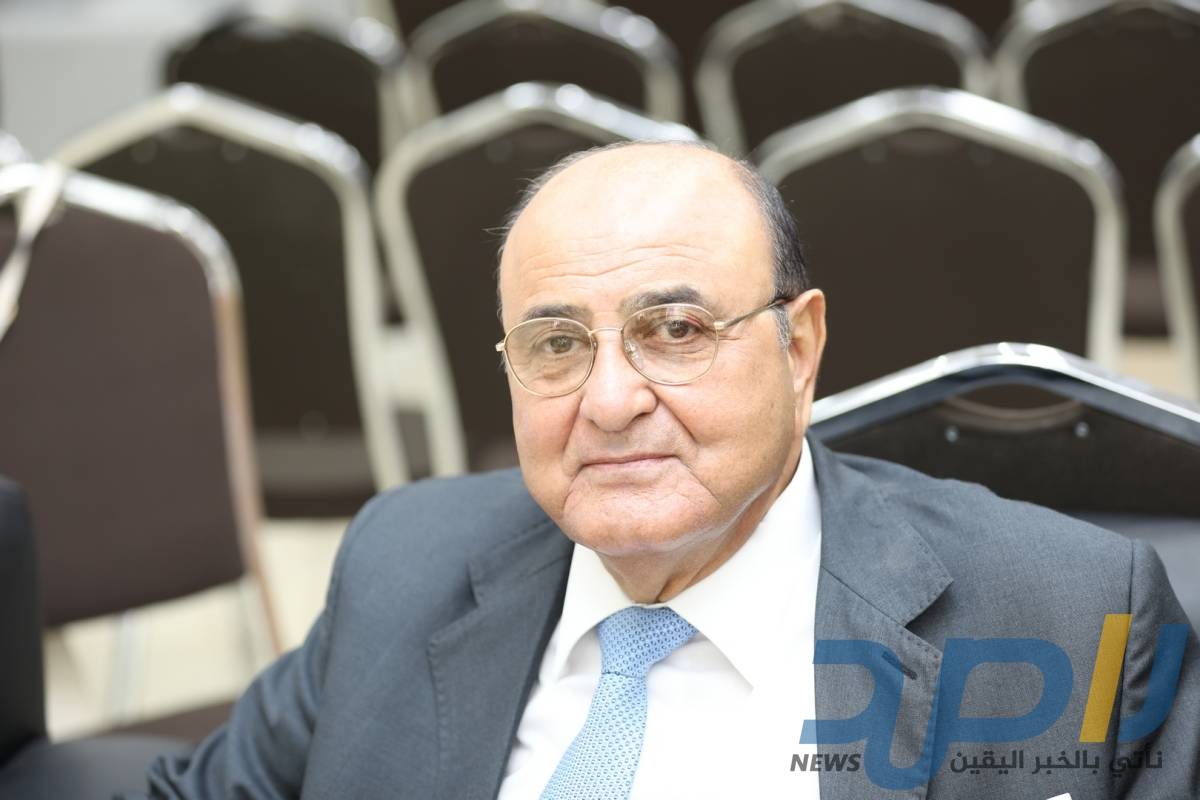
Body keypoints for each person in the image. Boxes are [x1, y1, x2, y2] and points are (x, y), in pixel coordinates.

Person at [136, 142, 1199, 799]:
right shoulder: (402, 562)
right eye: (557, 344)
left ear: (798, 348)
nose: (609, 401)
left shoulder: (1069, 619)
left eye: (675, 330)